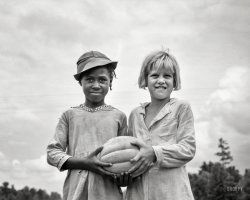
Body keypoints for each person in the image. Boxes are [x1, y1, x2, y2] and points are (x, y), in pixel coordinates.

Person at [46, 51, 127, 200]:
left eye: (102, 80)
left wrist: (124, 176)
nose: (96, 85)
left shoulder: (119, 117)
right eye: (90, 80)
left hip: (108, 193)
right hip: (76, 192)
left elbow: (125, 156)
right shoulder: (69, 116)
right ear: (80, 82)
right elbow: (52, 153)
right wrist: (85, 163)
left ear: (110, 82)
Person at [125, 50, 196, 200]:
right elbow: (129, 155)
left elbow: (188, 149)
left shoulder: (181, 108)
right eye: (155, 75)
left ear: (175, 81)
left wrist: (154, 153)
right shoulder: (134, 115)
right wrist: (123, 174)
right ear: (145, 79)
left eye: (167, 76)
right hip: (137, 194)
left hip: (173, 194)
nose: (161, 80)